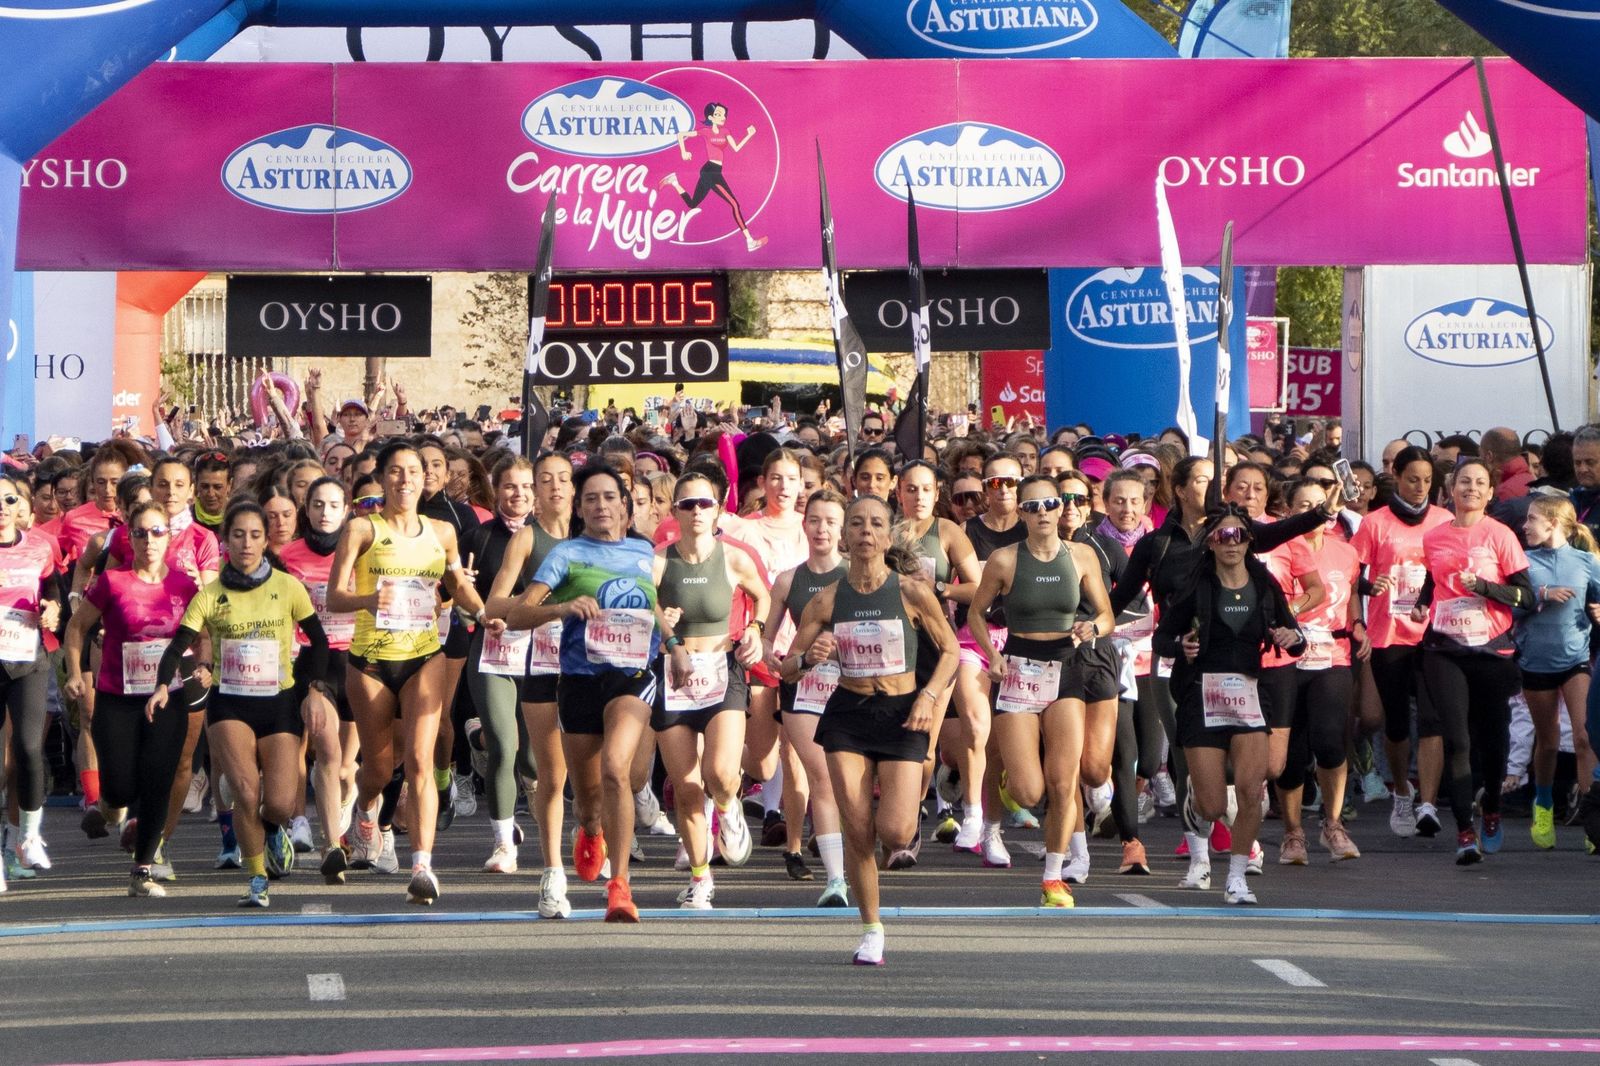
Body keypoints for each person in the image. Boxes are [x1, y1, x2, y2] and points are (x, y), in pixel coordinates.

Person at [786, 495, 959, 964]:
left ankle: (903, 824)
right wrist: (808, 657)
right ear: (846, 537)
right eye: (857, 523)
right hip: (848, 713)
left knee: (896, 832)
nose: (865, 531)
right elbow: (787, 668)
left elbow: (951, 651)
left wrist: (928, 696)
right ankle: (871, 928)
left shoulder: (911, 591)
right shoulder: (827, 599)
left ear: (887, 535)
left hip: (904, 710)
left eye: (875, 523)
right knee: (858, 828)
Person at [327, 440, 489, 905]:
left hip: (424, 655)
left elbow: (457, 584)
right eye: (395, 472)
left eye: (412, 471)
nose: (404, 479)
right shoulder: (361, 529)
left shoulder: (442, 533)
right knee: (378, 768)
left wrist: (484, 615)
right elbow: (335, 598)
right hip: (371, 663)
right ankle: (363, 811)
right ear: (382, 478)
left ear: (424, 478)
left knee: (419, 761)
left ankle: (422, 866)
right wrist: (366, 600)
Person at [499, 463, 659, 924]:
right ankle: (590, 831)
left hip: (631, 675)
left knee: (617, 770)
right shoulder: (566, 554)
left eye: (610, 497)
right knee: (588, 799)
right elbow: (517, 614)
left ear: (625, 505)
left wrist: (673, 644)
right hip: (579, 678)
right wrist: (565, 607)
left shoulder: (646, 553)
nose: (601, 506)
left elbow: (656, 609)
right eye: (591, 498)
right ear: (580, 507)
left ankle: (621, 887)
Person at [148, 501, 329, 908]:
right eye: (238, 535)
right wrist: (163, 684)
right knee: (246, 793)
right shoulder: (211, 594)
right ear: (225, 540)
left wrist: (313, 689)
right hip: (229, 704)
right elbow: (178, 645)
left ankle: (271, 829)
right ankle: (257, 877)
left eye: (254, 535)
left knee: (279, 803)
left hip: (279, 701)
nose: (246, 543)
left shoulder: (287, 586)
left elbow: (318, 641)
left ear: (266, 540)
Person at [969, 475, 1114, 906]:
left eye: (1050, 504)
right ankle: (1011, 776)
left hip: (1068, 668)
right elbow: (976, 614)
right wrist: (991, 656)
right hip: (1018, 667)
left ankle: (1054, 876)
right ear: (1021, 514)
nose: (1042, 513)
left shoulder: (1082, 555)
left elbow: (1106, 615)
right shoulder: (1003, 559)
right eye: (1031, 507)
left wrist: (1093, 628)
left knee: (1063, 781)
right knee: (1029, 791)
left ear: (1060, 507)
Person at [1155, 507, 1305, 904]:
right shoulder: (1197, 584)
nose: (1232, 542)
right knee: (1213, 804)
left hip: (1250, 695)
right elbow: (1162, 637)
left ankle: (1237, 877)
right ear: (1210, 543)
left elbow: (1296, 634)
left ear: (1250, 540)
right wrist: (1179, 647)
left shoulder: (1264, 583)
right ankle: (1194, 801)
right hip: (1201, 696)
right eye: (1222, 536)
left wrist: (1292, 637)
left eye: (1239, 535)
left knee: (1252, 791)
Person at [63, 501, 196, 897]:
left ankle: (142, 869)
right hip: (117, 697)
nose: (150, 540)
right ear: (130, 538)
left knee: (158, 780)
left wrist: (204, 663)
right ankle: (111, 808)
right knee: (120, 788)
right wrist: (73, 672)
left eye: (158, 532)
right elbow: (76, 627)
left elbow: (204, 634)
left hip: (167, 697)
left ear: (168, 538)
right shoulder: (113, 582)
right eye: (141, 533)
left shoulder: (185, 586)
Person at [652, 467, 770, 909]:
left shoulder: (735, 556)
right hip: (675, 674)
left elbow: (765, 596)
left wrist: (756, 629)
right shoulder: (659, 560)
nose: (697, 511)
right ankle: (700, 879)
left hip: (722, 670)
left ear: (718, 509)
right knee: (684, 785)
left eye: (705, 503)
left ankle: (727, 807)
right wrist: (670, 636)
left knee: (719, 773)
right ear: (675, 511)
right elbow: (644, 606)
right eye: (688, 504)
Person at [1411, 459, 1531, 865]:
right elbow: (1433, 578)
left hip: (1492, 650)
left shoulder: (1500, 535)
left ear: (1491, 492)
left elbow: (1525, 596)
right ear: (1451, 488)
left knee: (1491, 741)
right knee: (1457, 740)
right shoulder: (1435, 536)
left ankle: (1492, 806)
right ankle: (1465, 832)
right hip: (1445, 648)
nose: (1472, 488)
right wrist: (1421, 604)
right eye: (1465, 482)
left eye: (1480, 483)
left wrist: (1483, 587)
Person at [483, 451, 574, 917]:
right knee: (547, 773)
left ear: (573, 488)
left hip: (591, 667)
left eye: (563, 479)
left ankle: (593, 826)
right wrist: (516, 614)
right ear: (536, 491)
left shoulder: (598, 534)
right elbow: (496, 599)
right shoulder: (526, 538)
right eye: (546, 480)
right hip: (534, 657)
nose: (555, 487)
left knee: (598, 781)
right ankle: (551, 873)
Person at [1351, 446, 1452, 839]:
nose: (1419, 487)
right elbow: (1351, 574)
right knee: (1395, 723)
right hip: (1387, 632)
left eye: (1427, 480)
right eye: (1413, 479)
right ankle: (1401, 791)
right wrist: (1361, 606)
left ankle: (1427, 803)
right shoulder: (1374, 524)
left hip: (1433, 634)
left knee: (1431, 718)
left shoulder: (1444, 521)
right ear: (1395, 474)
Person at [767, 488, 851, 905]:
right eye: (815, 520)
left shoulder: (859, 575)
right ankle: (835, 880)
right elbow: (767, 641)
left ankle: (855, 855)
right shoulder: (788, 580)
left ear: (843, 530)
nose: (821, 529)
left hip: (852, 685)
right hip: (802, 685)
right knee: (822, 774)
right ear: (805, 525)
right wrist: (771, 656)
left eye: (830, 522)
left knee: (852, 779)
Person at [1274, 479, 1364, 865]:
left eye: (1320, 503)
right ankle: (1293, 833)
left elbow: (1354, 595)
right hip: (1284, 658)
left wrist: (1359, 625)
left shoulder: (1346, 552)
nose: (1315, 512)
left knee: (1330, 740)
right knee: (1291, 755)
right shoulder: (1274, 549)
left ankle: (1333, 824)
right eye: (1304, 505)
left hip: (1333, 655)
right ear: (1289, 511)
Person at [277, 476, 361, 884]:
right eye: (317, 504)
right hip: (315, 664)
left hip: (361, 660)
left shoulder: (363, 551)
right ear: (306, 509)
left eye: (333, 505)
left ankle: (355, 814)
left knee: (351, 767)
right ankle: (333, 847)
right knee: (326, 755)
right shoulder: (287, 556)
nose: (325, 512)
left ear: (346, 509)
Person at [950, 452, 1026, 861]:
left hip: (1020, 642)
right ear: (985, 488)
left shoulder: (1032, 529)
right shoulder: (967, 532)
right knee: (977, 728)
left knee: (999, 742)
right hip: (972, 638)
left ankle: (994, 826)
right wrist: (978, 585)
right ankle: (973, 815)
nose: (1004, 491)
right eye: (995, 483)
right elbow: (953, 588)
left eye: (1012, 483)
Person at [1515, 496, 1600, 849]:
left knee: (1584, 737)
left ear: (1552, 524)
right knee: (1548, 741)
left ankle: (1593, 818)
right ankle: (1544, 803)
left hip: (1576, 658)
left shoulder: (1585, 561)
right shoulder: (1523, 562)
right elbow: (1510, 609)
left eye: (1532, 519)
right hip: (1535, 660)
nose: (1525, 525)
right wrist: (1541, 595)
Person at [0, 477, 63, 880]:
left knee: (27, 747)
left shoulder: (40, 545)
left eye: (8, 499)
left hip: (28, 659)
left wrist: (53, 609)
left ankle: (29, 837)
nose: (1, 507)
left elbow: (54, 588)